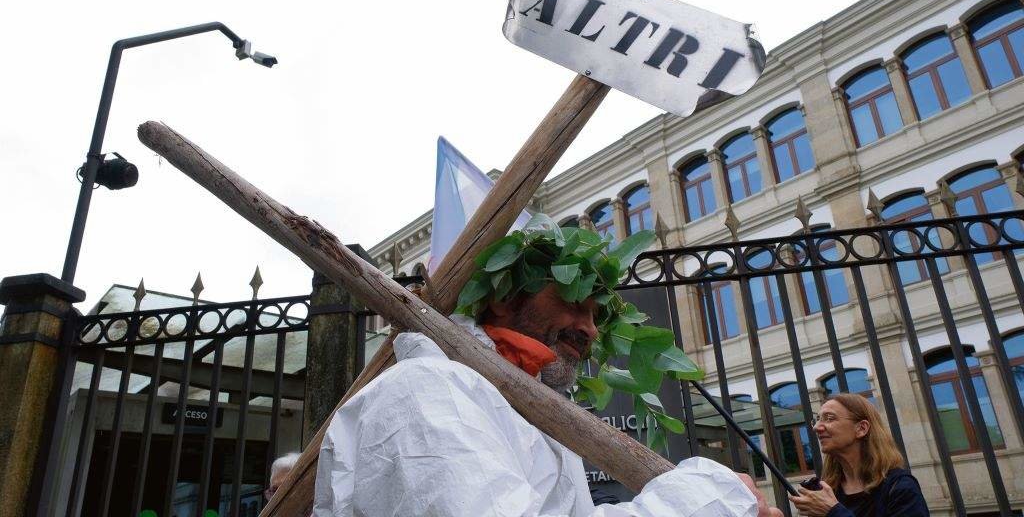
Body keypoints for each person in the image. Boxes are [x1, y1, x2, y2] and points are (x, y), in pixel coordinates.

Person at [314, 223, 782, 516]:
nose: (592, 331)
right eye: (576, 301)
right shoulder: (428, 390)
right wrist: (707, 501)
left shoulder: (524, 410)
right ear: (501, 298)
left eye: (599, 317)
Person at [789, 394, 928, 516]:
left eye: (829, 418)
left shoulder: (900, 487)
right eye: (817, 420)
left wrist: (833, 512)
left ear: (861, 428)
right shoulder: (828, 489)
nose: (816, 427)